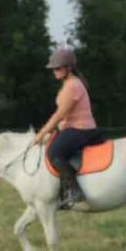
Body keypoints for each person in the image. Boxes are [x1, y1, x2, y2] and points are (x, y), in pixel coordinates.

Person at [33, 46, 101, 209]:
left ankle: (74, 190)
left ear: (68, 68)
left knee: (53, 152)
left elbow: (59, 114)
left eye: (57, 68)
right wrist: (61, 126)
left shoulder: (72, 86)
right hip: (76, 127)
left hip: (81, 129)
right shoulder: (70, 84)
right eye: (53, 68)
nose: (54, 71)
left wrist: (41, 133)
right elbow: (66, 115)